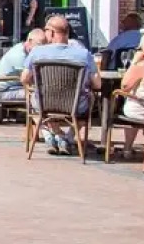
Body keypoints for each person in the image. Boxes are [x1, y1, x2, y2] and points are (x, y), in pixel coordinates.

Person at [21, 13, 101, 156]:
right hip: (74, 105)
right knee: (91, 99)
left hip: (44, 103)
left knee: (32, 98)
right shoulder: (84, 54)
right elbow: (97, 84)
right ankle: (67, 138)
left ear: (51, 32)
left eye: (45, 31)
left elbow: (24, 78)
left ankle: (52, 136)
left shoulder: (37, 52)